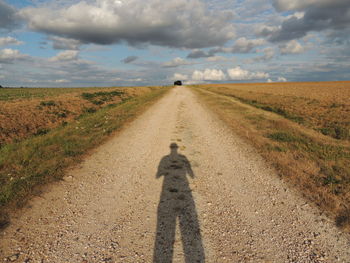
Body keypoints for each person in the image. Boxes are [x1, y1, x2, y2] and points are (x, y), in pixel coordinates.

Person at [153, 143, 205, 262]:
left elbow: (159, 173)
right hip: (183, 185)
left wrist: (161, 173)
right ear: (176, 149)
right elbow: (190, 171)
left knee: (165, 223)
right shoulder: (181, 158)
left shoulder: (165, 159)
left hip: (167, 187)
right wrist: (191, 174)